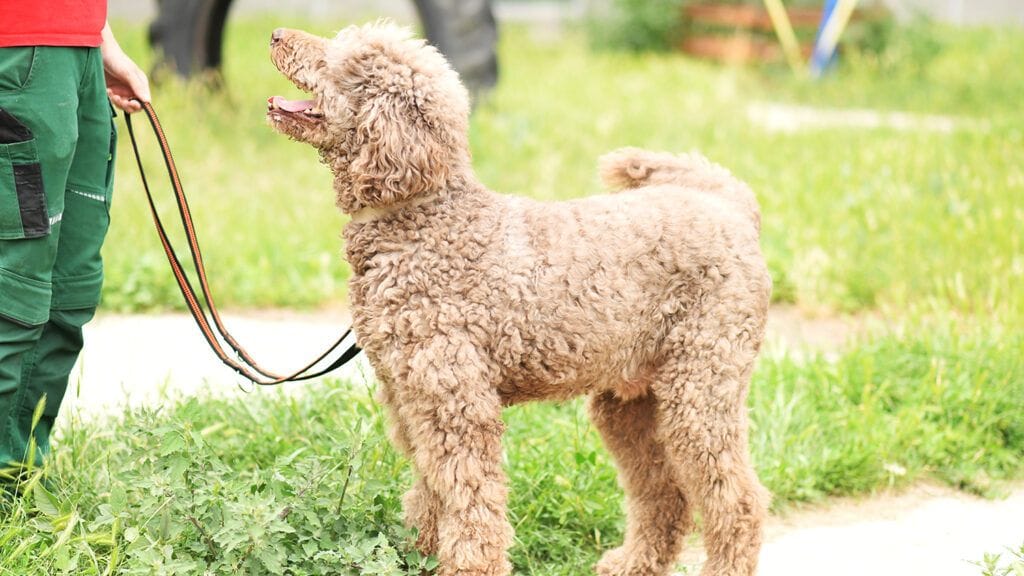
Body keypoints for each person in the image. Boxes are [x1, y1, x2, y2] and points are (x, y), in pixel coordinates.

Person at [0, 2, 151, 476]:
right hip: (16, 46)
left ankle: (16, 485)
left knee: (69, 289)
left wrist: (99, 37)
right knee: (13, 287)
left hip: (75, 45)